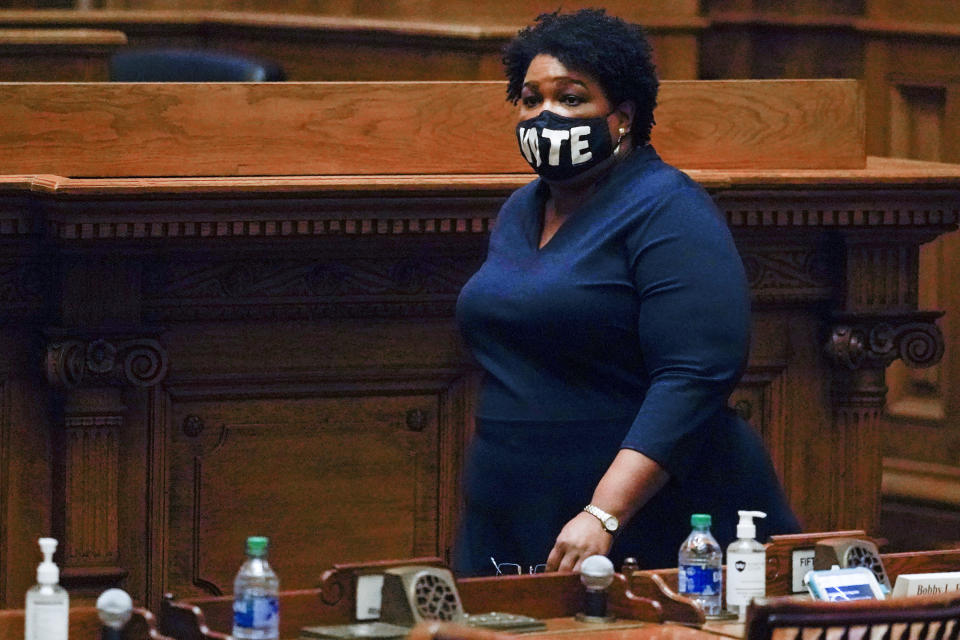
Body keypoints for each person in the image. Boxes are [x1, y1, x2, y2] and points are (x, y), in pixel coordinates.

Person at [452, 8, 800, 577]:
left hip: (643, 523)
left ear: (622, 117)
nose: (545, 116)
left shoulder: (668, 208)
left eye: (570, 98)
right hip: (512, 509)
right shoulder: (521, 209)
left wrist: (605, 513)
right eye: (530, 98)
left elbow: (695, 373)